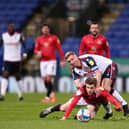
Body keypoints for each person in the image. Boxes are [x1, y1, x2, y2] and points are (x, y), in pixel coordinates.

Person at [64, 51, 129, 116]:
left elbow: (98, 73)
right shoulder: (74, 69)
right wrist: (83, 83)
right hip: (98, 73)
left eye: (72, 59)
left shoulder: (87, 60)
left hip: (108, 66)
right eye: (69, 61)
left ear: (75, 56)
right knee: (102, 91)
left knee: (105, 87)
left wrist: (97, 87)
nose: (71, 62)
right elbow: (77, 85)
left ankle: (124, 104)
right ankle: (109, 112)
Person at [40, 77, 121, 120]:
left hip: (93, 103)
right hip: (83, 99)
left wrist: (118, 105)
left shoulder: (100, 90)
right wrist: (65, 117)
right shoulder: (81, 90)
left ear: (95, 87)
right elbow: (73, 103)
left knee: (90, 117)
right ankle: (50, 109)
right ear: (85, 85)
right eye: (88, 87)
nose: (89, 90)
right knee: (63, 108)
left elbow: (110, 97)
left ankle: (77, 117)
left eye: (91, 88)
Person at [34, 24, 65, 103]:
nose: (45, 30)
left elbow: (60, 49)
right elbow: (35, 49)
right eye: (44, 29)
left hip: (52, 61)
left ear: (49, 30)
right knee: (45, 80)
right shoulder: (39, 39)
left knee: (48, 78)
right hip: (43, 61)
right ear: (42, 30)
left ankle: (47, 97)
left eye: (46, 29)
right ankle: (52, 95)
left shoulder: (54, 38)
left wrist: (62, 60)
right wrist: (38, 52)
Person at [0, 23, 27, 101]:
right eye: (10, 27)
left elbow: (24, 45)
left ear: (14, 28)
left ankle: (20, 95)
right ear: (7, 28)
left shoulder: (19, 36)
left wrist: (24, 54)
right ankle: (2, 94)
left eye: (12, 27)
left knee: (17, 76)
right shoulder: (3, 36)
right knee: (5, 74)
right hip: (7, 60)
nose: (11, 28)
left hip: (17, 60)